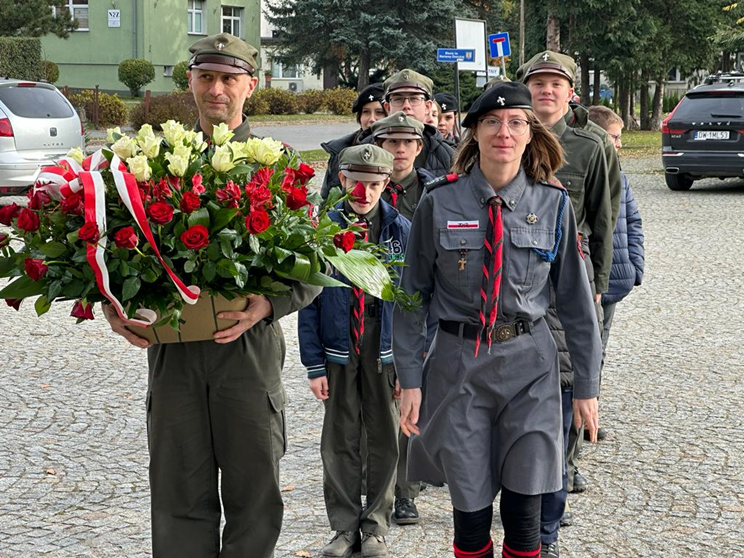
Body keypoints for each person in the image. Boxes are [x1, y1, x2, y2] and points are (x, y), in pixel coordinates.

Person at [102, 33, 321, 558]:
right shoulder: (149, 164)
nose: (216, 89)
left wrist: (268, 305)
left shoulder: (285, 166)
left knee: (254, 491)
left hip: (247, 349)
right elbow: (112, 243)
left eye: (228, 78)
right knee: (178, 490)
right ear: (191, 82)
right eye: (206, 77)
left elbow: (317, 262)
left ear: (251, 85)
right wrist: (115, 309)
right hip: (173, 351)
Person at [393, 81, 601, 558]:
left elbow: (575, 304)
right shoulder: (439, 203)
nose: (503, 132)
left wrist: (586, 386)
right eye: (490, 122)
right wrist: (410, 379)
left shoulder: (553, 204)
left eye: (515, 123)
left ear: (531, 134)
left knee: (526, 515)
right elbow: (410, 298)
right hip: (458, 365)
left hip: (531, 368)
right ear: (473, 132)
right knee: (470, 514)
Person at [517, 50, 612, 558]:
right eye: (539, 82)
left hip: (565, 286)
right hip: (514, 286)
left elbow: (603, 218)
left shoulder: (593, 144)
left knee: (569, 390)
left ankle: (557, 483)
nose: (547, 91)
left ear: (571, 91)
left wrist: (595, 286)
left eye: (557, 83)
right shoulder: (505, 130)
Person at [299, 144, 410, 558]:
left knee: (384, 438)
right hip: (337, 349)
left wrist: (409, 368)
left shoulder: (402, 232)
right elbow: (308, 300)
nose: (363, 193)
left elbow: (414, 305)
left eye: (373, 184)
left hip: (385, 351)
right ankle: (344, 527)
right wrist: (314, 364)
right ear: (341, 181)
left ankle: (377, 525)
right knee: (339, 441)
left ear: (386, 184)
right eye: (355, 183)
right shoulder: (319, 231)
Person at [369, 111, 435, 525]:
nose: (398, 151)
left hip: (415, 308)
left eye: (406, 143)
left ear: (419, 147)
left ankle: (407, 491)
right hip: (372, 310)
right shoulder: (361, 184)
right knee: (374, 409)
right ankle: (375, 486)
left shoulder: (432, 192)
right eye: (390, 143)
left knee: (411, 405)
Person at [587, 105, 645, 438]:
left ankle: (588, 415)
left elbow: (633, 221)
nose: (619, 144)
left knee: (599, 351)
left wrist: (635, 266)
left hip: (614, 280)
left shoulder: (619, 175)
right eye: (614, 137)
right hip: (585, 279)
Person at [360, 69, 454, 179]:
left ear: (428, 107)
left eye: (414, 99)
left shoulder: (448, 156)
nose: (406, 106)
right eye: (398, 99)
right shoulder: (363, 150)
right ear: (387, 107)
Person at [321, 83, 386, 199]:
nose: (372, 119)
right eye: (366, 112)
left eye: (379, 113)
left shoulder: (394, 150)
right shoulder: (339, 150)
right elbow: (327, 198)